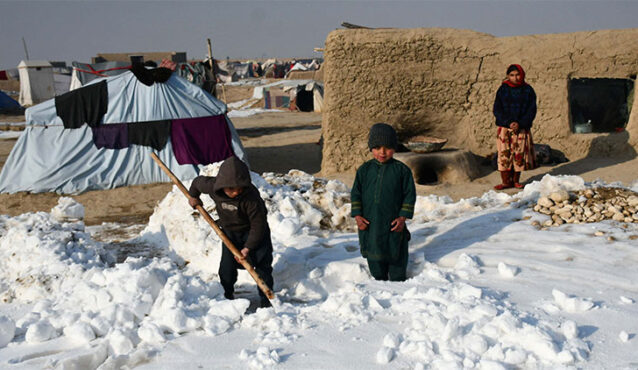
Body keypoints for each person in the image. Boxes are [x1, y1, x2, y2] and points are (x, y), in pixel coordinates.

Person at [188, 156, 274, 308]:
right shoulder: (213, 186)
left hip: (255, 233)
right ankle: (227, 298)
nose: (236, 193)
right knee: (226, 268)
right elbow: (197, 183)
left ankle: (266, 302)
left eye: (240, 189)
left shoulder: (251, 198)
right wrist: (193, 196)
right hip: (229, 233)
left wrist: (247, 248)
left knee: (262, 266)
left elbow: (258, 225)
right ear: (222, 185)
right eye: (231, 189)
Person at [351, 123, 416, 281]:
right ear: (371, 147)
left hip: (393, 224)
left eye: (388, 147)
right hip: (370, 224)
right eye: (377, 147)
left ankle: (398, 280)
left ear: (394, 148)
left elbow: (409, 195)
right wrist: (358, 216)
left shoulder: (402, 171)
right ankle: (378, 280)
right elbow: (356, 193)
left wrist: (402, 218)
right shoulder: (364, 171)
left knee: (396, 254)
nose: (382, 152)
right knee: (375, 260)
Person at [493, 64, 537, 190]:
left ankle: (516, 180)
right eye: (512, 75)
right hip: (505, 128)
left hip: (521, 128)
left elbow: (531, 110)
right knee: (504, 155)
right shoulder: (503, 89)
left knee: (519, 154)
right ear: (508, 76)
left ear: (522, 75)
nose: (515, 78)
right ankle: (506, 182)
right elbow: (497, 109)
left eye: (517, 75)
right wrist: (509, 123)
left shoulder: (528, 90)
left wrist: (520, 123)